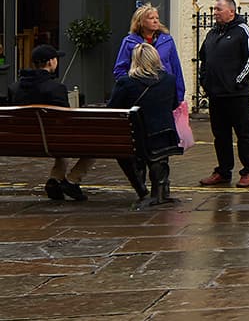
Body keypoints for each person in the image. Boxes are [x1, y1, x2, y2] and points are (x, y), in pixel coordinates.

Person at [9, 43, 92, 201]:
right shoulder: (56, 88)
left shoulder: (15, 87)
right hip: (52, 140)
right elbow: (67, 119)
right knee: (94, 145)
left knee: (59, 141)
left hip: (22, 141)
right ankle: (72, 180)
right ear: (50, 62)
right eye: (56, 59)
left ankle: (55, 180)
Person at [107, 41, 182, 207]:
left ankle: (142, 190)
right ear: (156, 59)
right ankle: (160, 190)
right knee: (158, 151)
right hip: (165, 137)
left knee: (126, 152)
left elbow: (113, 109)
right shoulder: (169, 80)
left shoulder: (126, 82)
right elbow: (174, 104)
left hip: (136, 140)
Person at [197, 0, 249, 187]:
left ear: (231, 11)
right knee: (220, 135)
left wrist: (238, 81)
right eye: (214, 9)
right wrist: (205, 81)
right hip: (216, 94)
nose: (215, 12)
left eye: (218, 9)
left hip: (236, 94)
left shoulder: (242, 30)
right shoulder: (212, 33)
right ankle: (223, 171)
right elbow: (204, 59)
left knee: (243, 134)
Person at [113, 3, 187, 103]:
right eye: (151, 18)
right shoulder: (129, 42)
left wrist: (179, 95)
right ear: (140, 22)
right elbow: (120, 70)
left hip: (164, 92)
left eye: (157, 18)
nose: (155, 21)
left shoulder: (167, 40)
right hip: (139, 94)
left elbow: (176, 68)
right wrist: (130, 87)